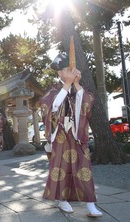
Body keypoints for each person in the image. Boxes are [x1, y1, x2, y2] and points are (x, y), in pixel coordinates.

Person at [40, 53, 102, 217]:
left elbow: (87, 104)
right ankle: (62, 200)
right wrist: (67, 85)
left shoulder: (79, 89)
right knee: (61, 168)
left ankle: (90, 204)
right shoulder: (53, 89)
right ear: (60, 73)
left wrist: (76, 85)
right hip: (60, 134)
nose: (71, 72)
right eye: (67, 69)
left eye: (72, 69)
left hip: (77, 134)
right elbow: (52, 107)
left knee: (84, 168)